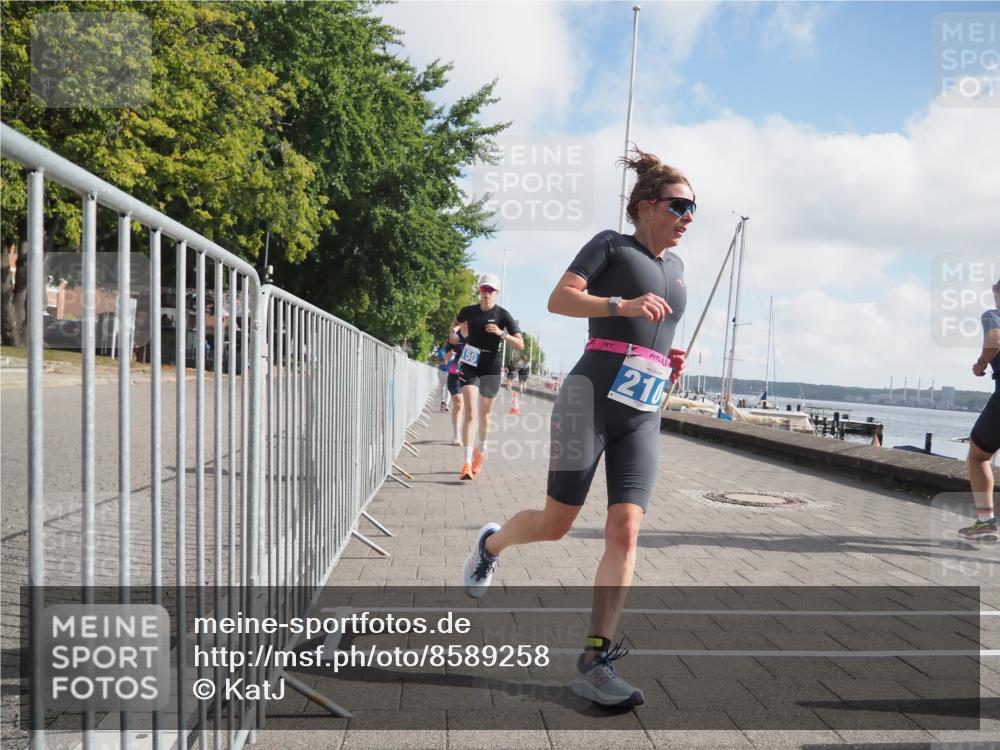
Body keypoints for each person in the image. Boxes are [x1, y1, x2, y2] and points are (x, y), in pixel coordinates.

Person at [460, 147, 691, 708]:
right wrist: (622, 302)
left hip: (642, 408)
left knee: (626, 530)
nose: (688, 218)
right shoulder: (612, 244)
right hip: (587, 399)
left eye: (693, 209)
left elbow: (651, 331)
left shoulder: (678, 270)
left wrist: (668, 361)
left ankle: (595, 658)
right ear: (646, 205)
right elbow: (560, 298)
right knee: (555, 524)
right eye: (680, 205)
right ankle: (492, 544)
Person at [451, 273, 524, 480]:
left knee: (485, 415)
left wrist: (502, 334)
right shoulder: (469, 311)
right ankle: (466, 463)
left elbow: (520, 344)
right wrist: (455, 334)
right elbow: (456, 323)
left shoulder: (503, 315)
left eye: (491, 290)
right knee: (471, 413)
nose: (487, 293)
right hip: (470, 363)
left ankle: (480, 451)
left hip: (491, 366)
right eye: (484, 289)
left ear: (497, 292)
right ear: (479, 290)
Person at [959, 278, 1000, 541]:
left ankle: (985, 522)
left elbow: (995, 338)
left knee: (978, 456)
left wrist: (981, 363)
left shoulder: (994, 314)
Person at [445, 331, 467, 445]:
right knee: (458, 404)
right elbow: (446, 357)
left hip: (470, 376)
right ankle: (457, 435)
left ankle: (465, 432)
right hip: (455, 375)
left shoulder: (477, 335)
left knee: (466, 407)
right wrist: (450, 354)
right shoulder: (455, 336)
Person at [433, 340, 452, 411]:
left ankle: (446, 404)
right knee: (442, 388)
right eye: (446, 342)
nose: (447, 343)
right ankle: (442, 402)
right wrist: (442, 362)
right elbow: (436, 361)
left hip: (450, 372)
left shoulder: (454, 351)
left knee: (449, 388)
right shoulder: (441, 351)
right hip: (441, 371)